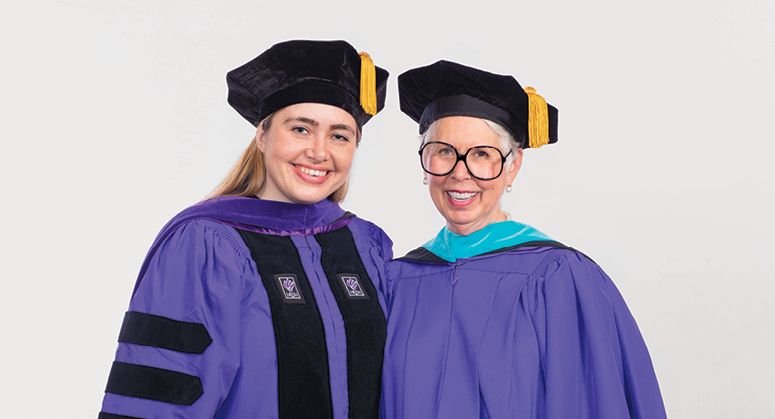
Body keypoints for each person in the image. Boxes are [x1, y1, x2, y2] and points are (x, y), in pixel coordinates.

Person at [98, 40, 392, 419]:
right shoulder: (206, 246)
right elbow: (159, 397)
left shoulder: (366, 245)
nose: (320, 151)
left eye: (339, 135)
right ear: (263, 135)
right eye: (301, 129)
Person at [380, 60, 667, 419]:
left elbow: (589, 404)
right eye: (443, 151)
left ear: (512, 166)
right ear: (425, 164)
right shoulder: (397, 281)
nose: (459, 173)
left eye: (482, 155)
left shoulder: (559, 278)